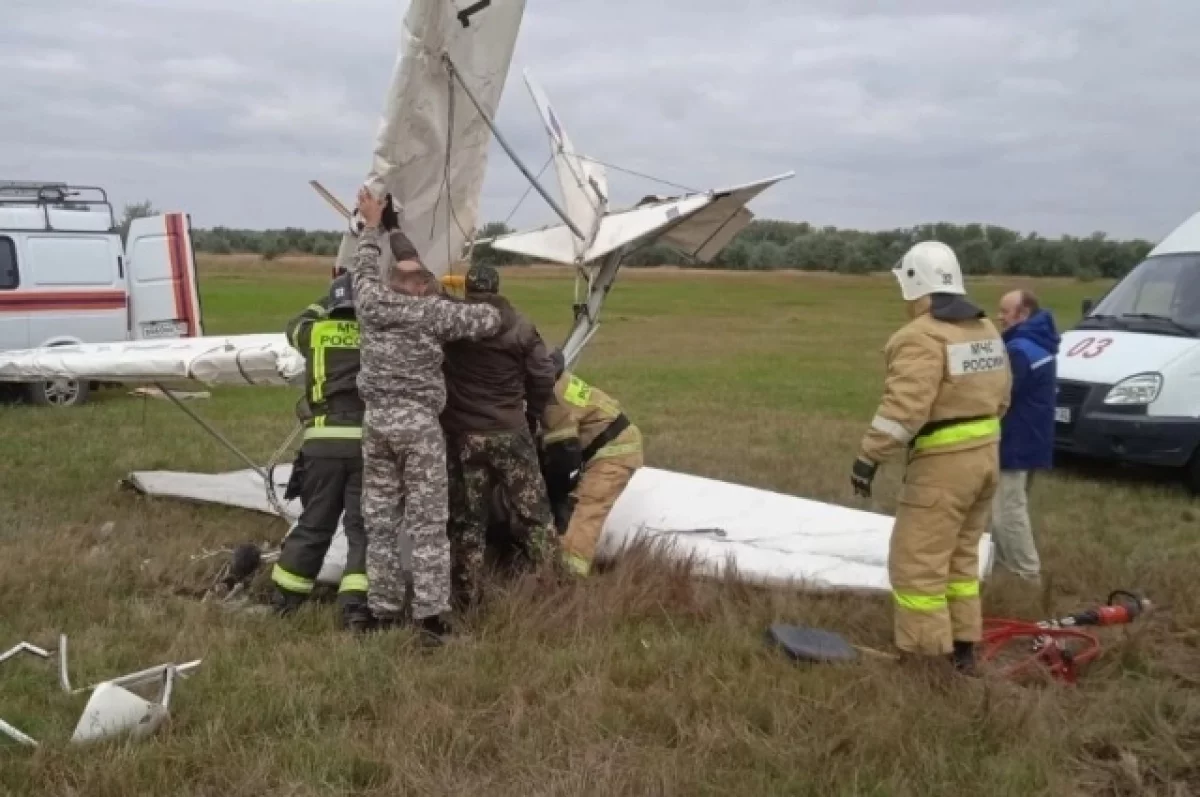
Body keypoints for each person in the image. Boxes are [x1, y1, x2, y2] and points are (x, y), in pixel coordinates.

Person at [347, 186, 506, 643]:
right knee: (428, 524)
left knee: (379, 523)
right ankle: (433, 621)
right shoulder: (431, 313)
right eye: (425, 281)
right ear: (417, 288)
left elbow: (364, 266)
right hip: (418, 428)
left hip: (376, 425)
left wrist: (377, 226)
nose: (428, 284)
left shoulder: (371, 303)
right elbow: (487, 322)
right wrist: (477, 298)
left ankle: (381, 612)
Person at [850, 241, 1011, 674]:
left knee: (916, 563)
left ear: (914, 284)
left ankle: (925, 662)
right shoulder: (986, 331)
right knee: (960, 559)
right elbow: (1002, 399)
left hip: (944, 466)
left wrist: (869, 457)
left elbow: (905, 410)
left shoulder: (920, 336)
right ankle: (963, 649)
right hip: (987, 460)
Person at [441, 264, 559, 610]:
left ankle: (466, 598)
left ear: (468, 290)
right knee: (535, 514)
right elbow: (542, 376)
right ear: (497, 286)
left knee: (467, 520)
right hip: (510, 432)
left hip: (463, 436)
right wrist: (533, 415)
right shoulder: (521, 327)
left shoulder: (451, 325)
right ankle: (554, 590)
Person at [270, 272, 370, 631]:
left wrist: (323, 300)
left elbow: (293, 323)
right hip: (366, 446)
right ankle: (355, 608)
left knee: (314, 523)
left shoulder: (314, 332)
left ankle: (285, 600)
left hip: (322, 443)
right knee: (363, 529)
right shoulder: (376, 336)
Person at [540, 350, 643, 577]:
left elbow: (563, 456)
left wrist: (555, 495)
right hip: (600, 442)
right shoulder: (556, 379)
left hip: (615, 449)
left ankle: (569, 578)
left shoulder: (552, 399)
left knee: (585, 512)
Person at [992, 289, 1059, 584]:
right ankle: (1000, 568)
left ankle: (1027, 575)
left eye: (1005, 312)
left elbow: (1000, 397)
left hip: (1016, 440)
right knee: (1006, 507)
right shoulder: (1039, 343)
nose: (999, 317)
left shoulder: (1019, 350)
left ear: (1023, 315)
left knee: (1007, 513)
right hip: (1033, 437)